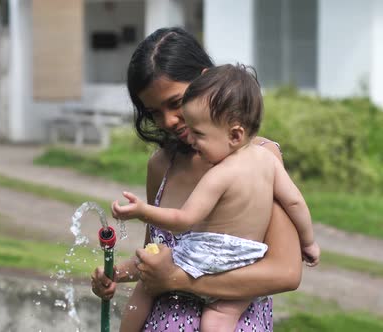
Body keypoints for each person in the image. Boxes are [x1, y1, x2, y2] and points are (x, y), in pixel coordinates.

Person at [91, 27, 303, 332]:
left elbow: (285, 273)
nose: (167, 121)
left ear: (205, 81)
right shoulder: (161, 166)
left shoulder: (260, 159)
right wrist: (114, 275)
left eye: (175, 103)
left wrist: (176, 279)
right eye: (154, 112)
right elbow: (156, 256)